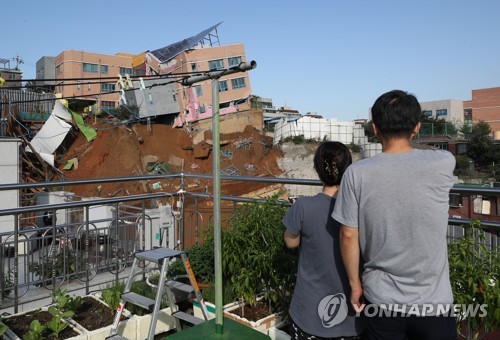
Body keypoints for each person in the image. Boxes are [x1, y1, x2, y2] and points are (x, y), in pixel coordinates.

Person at [332, 90, 457, 339]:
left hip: (382, 301)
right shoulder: (444, 161)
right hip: (435, 303)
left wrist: (355, 285)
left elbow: (347, 235)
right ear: (417, 128)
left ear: (375, 129)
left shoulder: (357, 174)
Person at [283, 141, 363, 339]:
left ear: (318, 170)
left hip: (309, 315)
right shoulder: (360, 208)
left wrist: (297, 215)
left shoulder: (303, 206)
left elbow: (290, 242)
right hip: (354, 317)